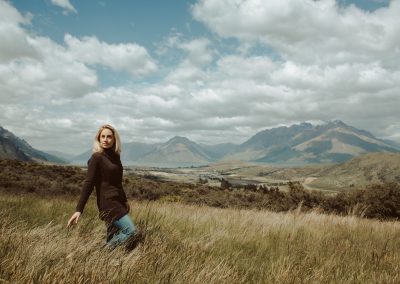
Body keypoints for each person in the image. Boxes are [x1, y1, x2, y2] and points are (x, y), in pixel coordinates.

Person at [67, 124, 137, 248]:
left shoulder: (115, 157)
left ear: (114, 139)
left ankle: (104, 260)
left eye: (109, 137)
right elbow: (88, 183)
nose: (105, 139)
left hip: (118, 201)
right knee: (131, 232)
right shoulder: (96, 158)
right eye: (102, 136)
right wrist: (79, 209)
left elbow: (117, 183)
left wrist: (125, 200)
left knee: (112, 235)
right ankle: (102, 250)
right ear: (98, 139)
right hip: (108, 203)